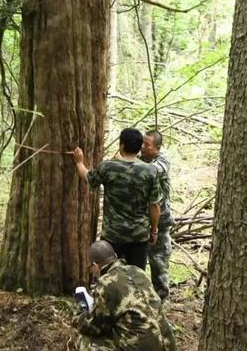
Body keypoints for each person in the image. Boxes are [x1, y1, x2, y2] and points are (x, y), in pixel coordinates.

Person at [73, 128, 161, 270]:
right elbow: (154, 205)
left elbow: (88, 178)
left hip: (113, 235)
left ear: (121, 145)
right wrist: (154, 230)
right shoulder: (150, 171)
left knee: (109, 275)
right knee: (137, 277)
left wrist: (79, 162)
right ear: (140, 147)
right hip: (139, 235)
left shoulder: (108, 167)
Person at [75, 240, 176, 351]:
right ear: (115, 256)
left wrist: (79, 316)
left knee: (85, 341)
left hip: (140, 347)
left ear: (95, 265)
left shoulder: (106, 282)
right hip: (167, 344)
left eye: (90, 269)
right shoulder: (137, 271)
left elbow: (96, 327)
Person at [140, 130, 173, 301]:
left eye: (147, 145)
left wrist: (127, 164)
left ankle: (160, 298)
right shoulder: (138, 160)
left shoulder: (162, 161)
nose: (143, 147)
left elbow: (152, 171)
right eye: (142, 143)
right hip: (139, 220)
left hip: (160, 221)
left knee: (158, 261)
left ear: (157, 148)